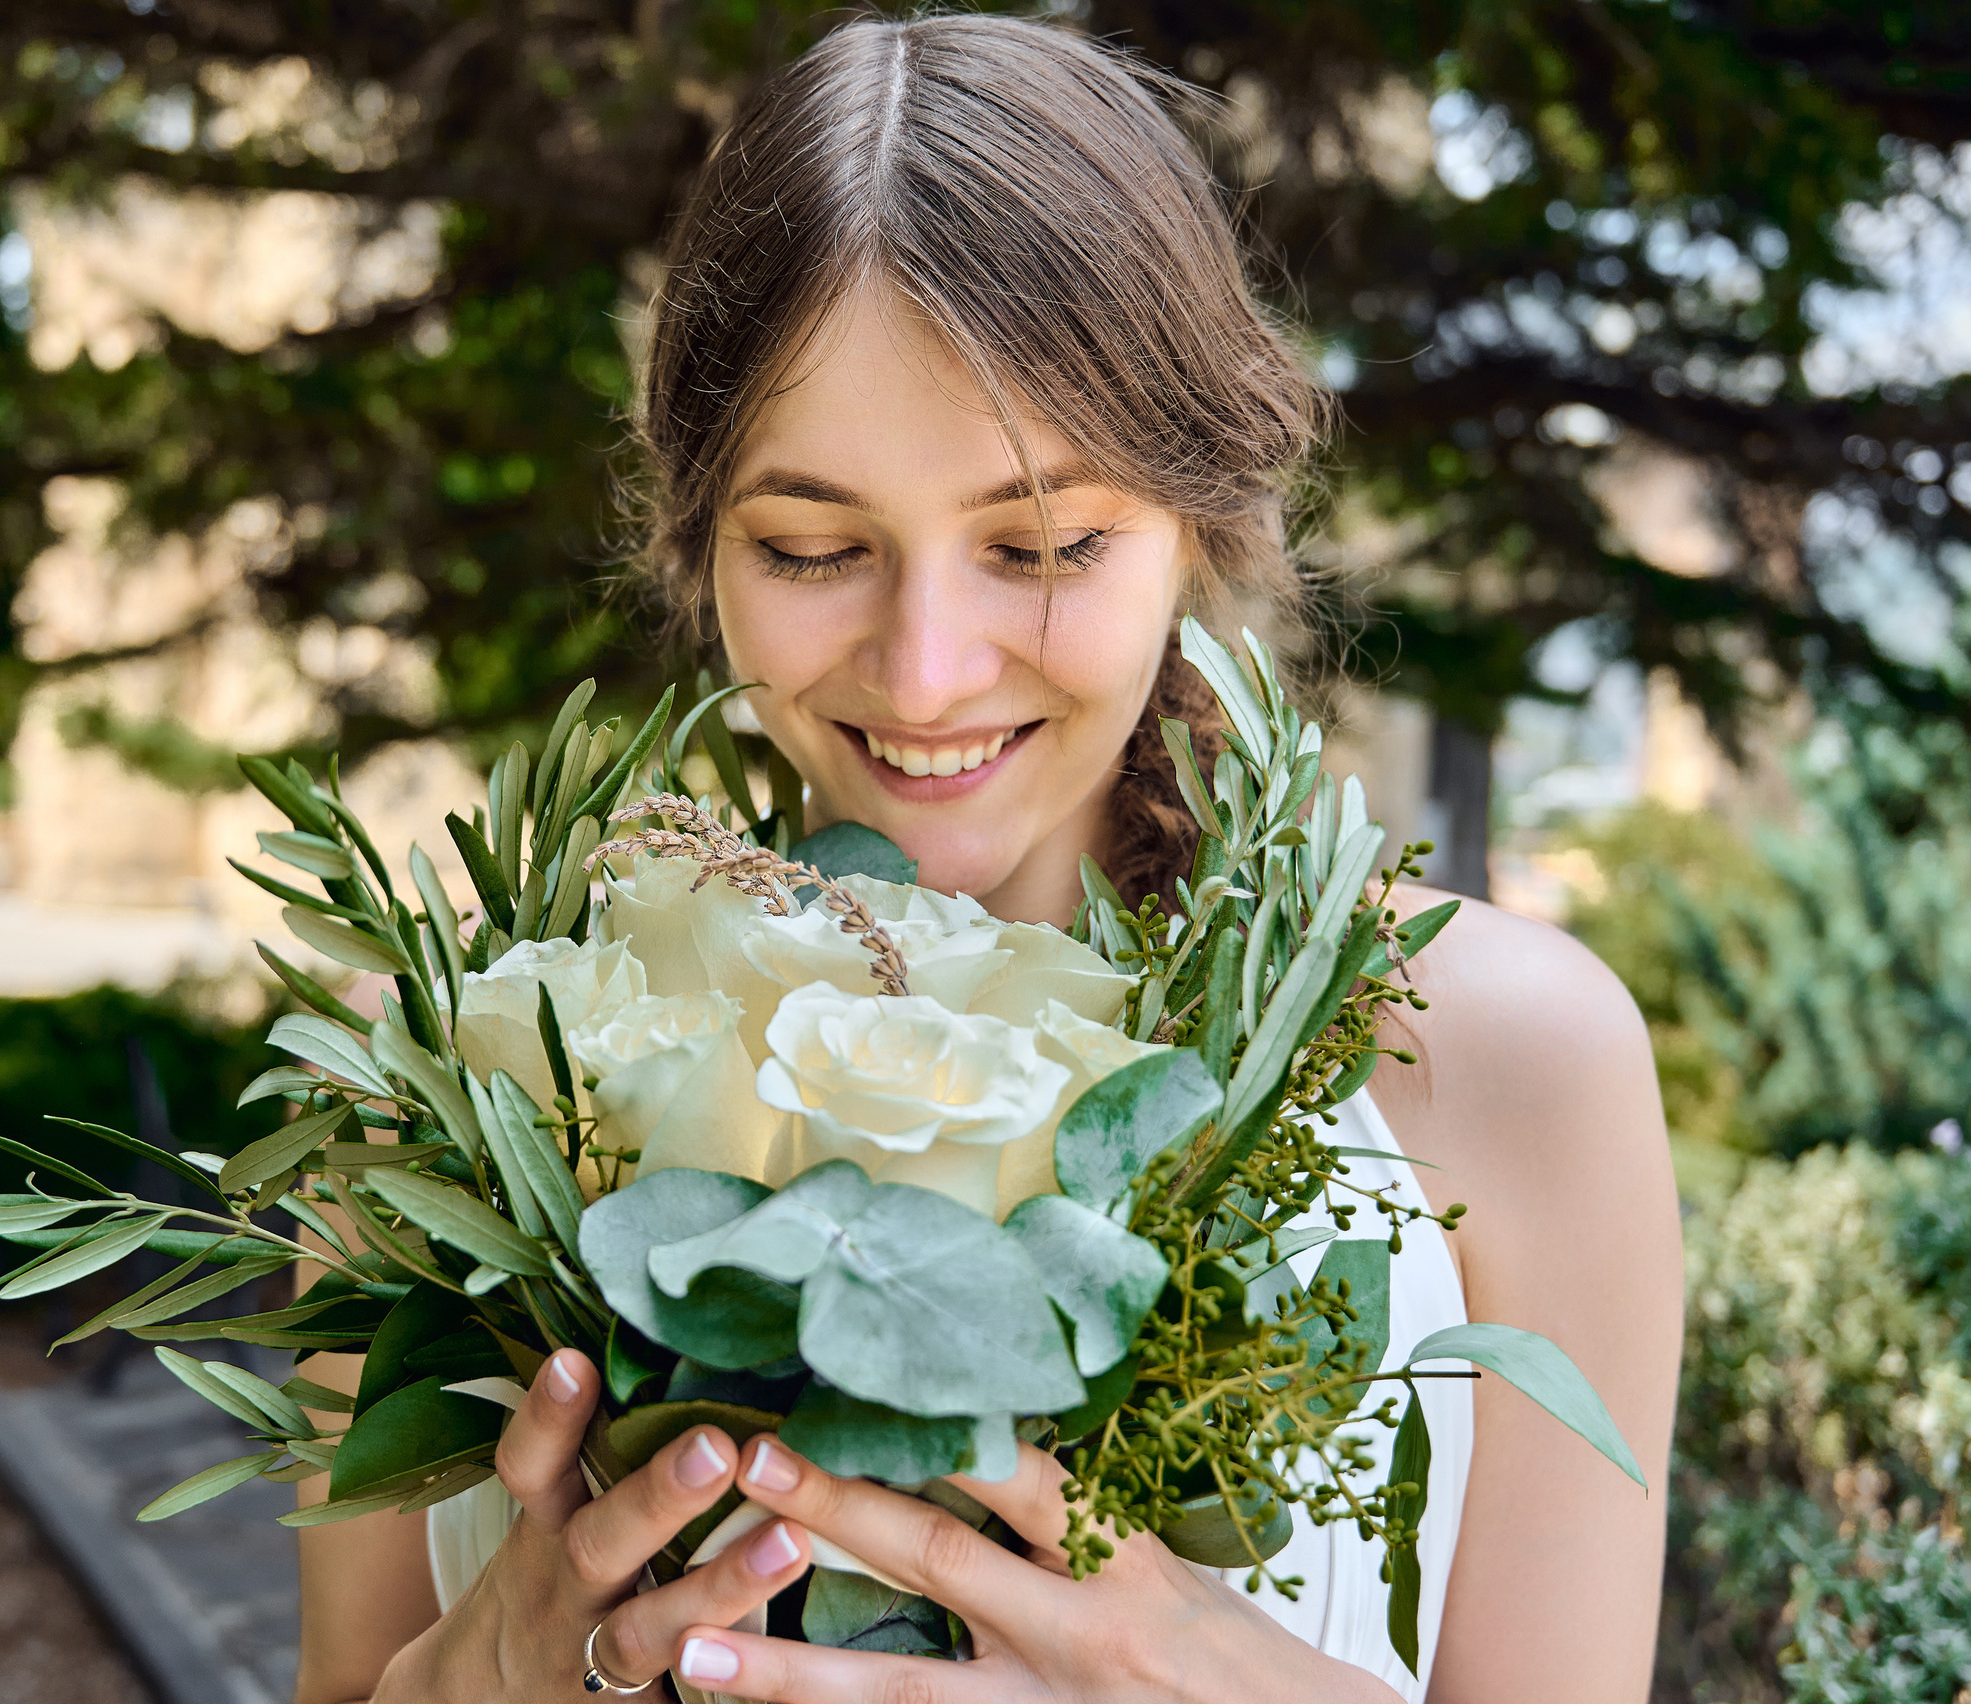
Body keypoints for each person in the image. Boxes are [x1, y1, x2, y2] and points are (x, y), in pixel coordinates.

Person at [291, 14, 1682, 1703]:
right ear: (697, 541)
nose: (929, 667)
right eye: (813, 547)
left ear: (1200, 520)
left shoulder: (1506, 1064)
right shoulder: (451, 1077)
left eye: (1041, 545)